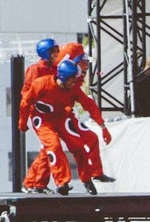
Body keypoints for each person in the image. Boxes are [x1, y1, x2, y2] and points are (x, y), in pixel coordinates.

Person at [57, 44, 114, 190]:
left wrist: (102, 126)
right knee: (51, 148)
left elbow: (87, 103)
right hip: (50, 120)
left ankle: (93, 175)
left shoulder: (73, 84)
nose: (86, 67)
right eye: (82, 63)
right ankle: (38, 183)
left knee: (90, 139)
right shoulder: (50, 82)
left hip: (66, 117)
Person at [19, 56, 78, 194]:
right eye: (53, 51)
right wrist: (23, 122)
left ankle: (33, 183)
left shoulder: (61, 77)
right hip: (42, 117)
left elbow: (77, 99)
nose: (56, 54)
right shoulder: (38, 75)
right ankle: (62, 180)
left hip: (55, 117)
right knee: (53, 145)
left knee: (47, 151)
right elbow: (26, 100)